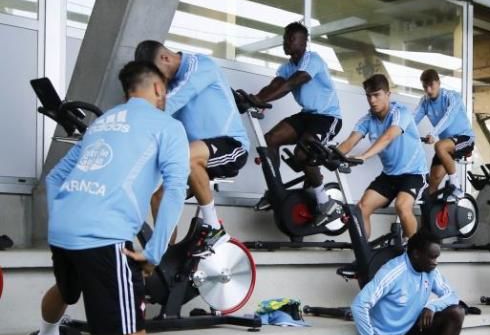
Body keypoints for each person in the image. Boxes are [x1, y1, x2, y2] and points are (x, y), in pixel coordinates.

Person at [26, 61, 189, 335]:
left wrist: (66, 211)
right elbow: (174, 189)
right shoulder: (167, 126)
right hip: (105, 235)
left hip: (65, 226)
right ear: (155, 87)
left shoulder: (104, 123)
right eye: (164, 88)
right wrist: (155, 252)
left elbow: (55, 176)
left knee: (66, 288)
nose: (165, 95)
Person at [134, 40, 250, 256]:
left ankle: (214, 227)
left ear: (165, 58)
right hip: (195, 155)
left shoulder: (200, 66)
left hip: (231, 147)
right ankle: (164, 257)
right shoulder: (168, 86)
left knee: (185, 157)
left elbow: (169, 103)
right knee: (158, 194)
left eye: (155, 74)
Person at [248, 22, 343, 225]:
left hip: (328, 117)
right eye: (285, 38)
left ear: (304, 42)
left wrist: (262, 101)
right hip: (307, 115)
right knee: (270, 140)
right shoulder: (286, 66)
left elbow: (292, 83)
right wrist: (254, 98)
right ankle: (276, 190)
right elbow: (276, 85)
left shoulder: (313, 60)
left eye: (291, 39)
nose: (286, 42)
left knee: (304, 153)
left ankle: (324, 202)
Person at [351, 230, 465, 335]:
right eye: (431, 257)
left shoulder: (431, 271)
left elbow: (452, 295)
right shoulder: (393, 272)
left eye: (437, 257)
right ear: (416, 254)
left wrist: (432, 306)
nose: (435, 263)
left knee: (457, 312)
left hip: (413, 330)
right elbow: (359, 305)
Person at [336, 74, 427, 239]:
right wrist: (327, 155)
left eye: (376, 95)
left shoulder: (400, 112)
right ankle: (364, 255)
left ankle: (415, 253)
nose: (372, 100)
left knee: (402, 206)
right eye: (369, 96)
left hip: (413, 173)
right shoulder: (367, 119)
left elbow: (388, 136)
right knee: (362, 208)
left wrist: (364, 156)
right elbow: (350, 142)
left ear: (388, 94)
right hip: (390, 176)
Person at [414, 68, 474, 195]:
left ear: (438, 83)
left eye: (431, 85)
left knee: (439, 146)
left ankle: (456, 186)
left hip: (465, 139)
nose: (428, 90)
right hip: (446, 145)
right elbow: (412, 120)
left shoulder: (452, 97)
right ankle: (435, 213)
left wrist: (433, 134)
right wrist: (399, 132)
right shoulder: (425, 101)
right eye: (425, 87)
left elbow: (448, 117)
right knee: (431, 186)